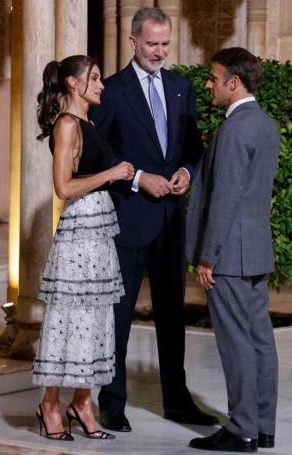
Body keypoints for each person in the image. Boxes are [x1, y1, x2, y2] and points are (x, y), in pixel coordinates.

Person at [90, 7, 217, 432]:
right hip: (128, 220)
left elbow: (193, 147)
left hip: (170, 221)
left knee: (171, 316)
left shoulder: (182, 87)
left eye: (165, 44)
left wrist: (185, 171)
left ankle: (177, 402)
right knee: (119, 315)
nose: (160, 52)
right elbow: (100, 155)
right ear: (133, 42)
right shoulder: (111, 90)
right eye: (152, 44)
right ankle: (112, 403)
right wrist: (139, 178)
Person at [32, 55, 135, 442]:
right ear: (73, 84)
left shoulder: (89, 123)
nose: (102, 84)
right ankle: (50, 404)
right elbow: (63, 187)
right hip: (78, 233)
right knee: (68, 317)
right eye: (94, 78)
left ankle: (83, 402)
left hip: (98, 229)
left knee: (93, 319)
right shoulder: (67, 124)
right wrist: (111, 173)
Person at [186, 47, 280, 453]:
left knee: (237, 342)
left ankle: (241, 430)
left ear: (233, 82)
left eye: (213, 77)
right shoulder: (265, 124)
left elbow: (223, 197)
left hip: (230, 256)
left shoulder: (235, 128)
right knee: (260, 340)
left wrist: (208, 255)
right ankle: (262, 426)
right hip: (256, 251)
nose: (208, 84)